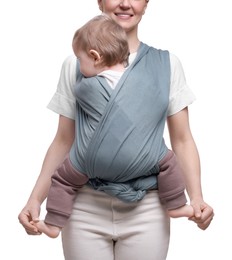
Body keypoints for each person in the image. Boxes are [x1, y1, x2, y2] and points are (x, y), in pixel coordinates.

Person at [18, 1, 214, 260]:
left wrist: (196, 197)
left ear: (146, 2)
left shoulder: (167, 64)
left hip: (148, 206)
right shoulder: (76, 64)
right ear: (100, 1)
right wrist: (35, 199)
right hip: (84, 205)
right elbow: (64, 140)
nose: (124, 3)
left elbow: (182, 139)